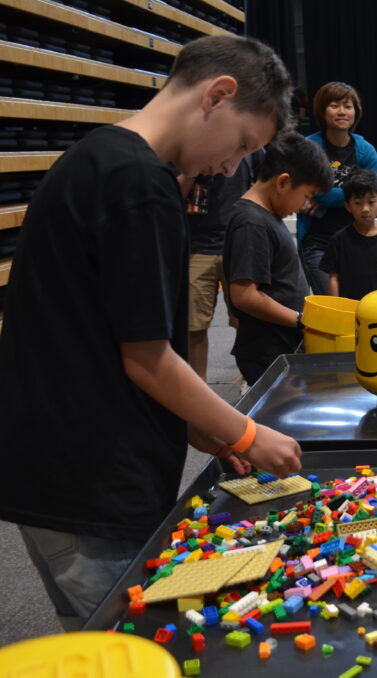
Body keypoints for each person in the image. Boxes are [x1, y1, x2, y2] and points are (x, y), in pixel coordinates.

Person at [0, 35, 304, 628]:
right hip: (89, 481)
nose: (230, 168)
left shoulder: (101, 159)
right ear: (218, 95)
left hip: (66, 465)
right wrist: (244, 433)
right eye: (243, 144)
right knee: (133, 644)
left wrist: (196, 422)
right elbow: (147, 357)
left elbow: (111, 329)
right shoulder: (139, 182)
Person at [224, 131, 332, 386]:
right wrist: (300, 320)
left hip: (278, 348)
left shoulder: (266, 217)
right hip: (266, 352)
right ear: (283, 182)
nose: (305, 205)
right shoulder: (253, 223)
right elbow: (245, 295)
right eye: (306, 196)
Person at [185, 148, 264, 381]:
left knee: (246, 321)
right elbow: (171, 192)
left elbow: (266, 184)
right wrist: (194, 167)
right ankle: (198, 391)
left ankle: (250, 380)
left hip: (238, 243)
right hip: (196, 245)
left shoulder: (250, 145)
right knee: (194, 326)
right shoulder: (193, 144)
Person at [296, 81, 377, 295]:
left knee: (361, 304)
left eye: (348, 106)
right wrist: (352, 197)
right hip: (317, 242)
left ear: (356, 112)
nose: (342, 111)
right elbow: (303, 186)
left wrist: (321, 198)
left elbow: (373, 194)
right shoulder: (308, 147)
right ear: (322, 111)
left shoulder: (365, 150)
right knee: (332, 309)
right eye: (334, 105)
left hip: (358, 240)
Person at [320, 169, 377, 299]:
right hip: (350, 311)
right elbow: (334, 278)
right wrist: (337, 308)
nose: (365, 209)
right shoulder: (339, 240)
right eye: (358, 203)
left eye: (371, 202)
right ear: (348, 206)